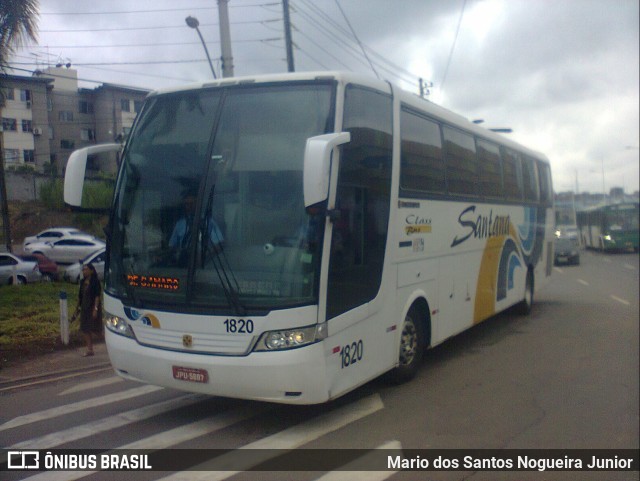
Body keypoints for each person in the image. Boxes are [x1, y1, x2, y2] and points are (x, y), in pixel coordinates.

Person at [169, 191, 224, 264]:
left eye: (192, 204)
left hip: (204, 264)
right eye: (187, 204)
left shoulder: (208, 222)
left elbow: (219, 245)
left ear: (198, 204)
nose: (189, 207)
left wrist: (204, 255)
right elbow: (172, 246)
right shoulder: (180, 224)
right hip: (183, 264)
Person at [72, 263, 102, 357]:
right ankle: (90, 349)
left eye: (86, 269)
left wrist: (95, 309)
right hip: (84, 308)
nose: (84, 271)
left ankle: (110, 342)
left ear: (91, 271)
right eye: (83, 270)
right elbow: (80, 297)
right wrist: (77, 310)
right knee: (85, 329)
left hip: (92, 307)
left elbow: (97, 296)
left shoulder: (95, 282)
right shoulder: (82, 282)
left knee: (95, 329)